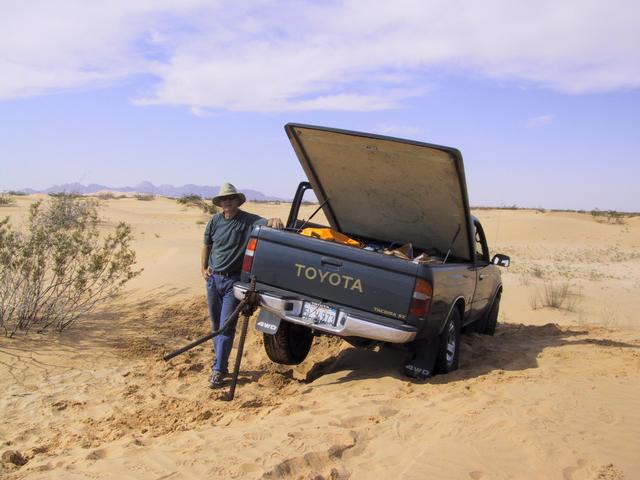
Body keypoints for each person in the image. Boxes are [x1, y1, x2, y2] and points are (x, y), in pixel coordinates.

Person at [201, 182, 284, 389]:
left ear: (237, 200)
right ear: (219, 203)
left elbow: (266, 223)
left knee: (226, 327)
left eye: (230, 198)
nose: (227, 202)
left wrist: (274, 219)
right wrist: (203, 267)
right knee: (215, 327)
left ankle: (218, 370)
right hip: (213, 279)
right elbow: (207, 245)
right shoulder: (214, 222)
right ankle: (220, 364)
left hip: (233, 282)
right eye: (223, 199)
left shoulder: (247, 221)